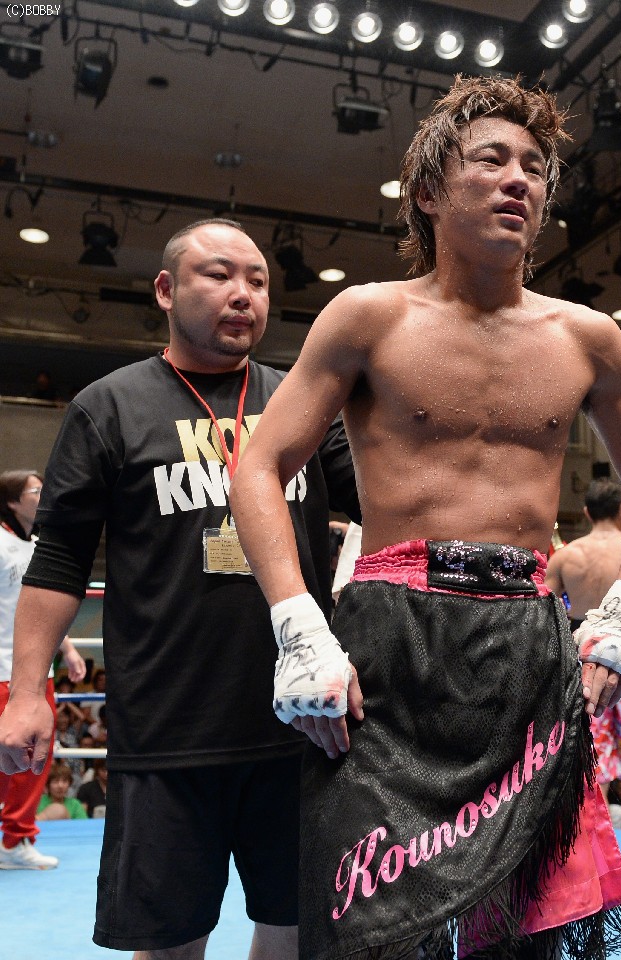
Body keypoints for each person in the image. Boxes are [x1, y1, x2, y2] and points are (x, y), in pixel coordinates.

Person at [232, 76, 621, 960]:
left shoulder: (587, 338)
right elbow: (258, 464)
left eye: (535, 167)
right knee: (369, 926)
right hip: (391, 634)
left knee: (520, 929)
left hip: (525, 640)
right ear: (429, 191)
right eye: (492, 160)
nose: (519, 180)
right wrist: (298, 626)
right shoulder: (369, 316)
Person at [0, 219, 360, 959]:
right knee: (168, 942)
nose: (243, 294)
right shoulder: (109, 406)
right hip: (167, 728)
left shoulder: (301, 402)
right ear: (166, 289)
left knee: (299, 929)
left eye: (258, 281)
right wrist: (28, 690)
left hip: (300, 725)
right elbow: (60, 559)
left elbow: (387, 504)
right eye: (219, 275)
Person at [545, 478, 621, 885]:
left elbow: (547, 612)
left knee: (591, 765)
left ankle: (592, 862)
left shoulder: (567, 557)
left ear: (586, 513)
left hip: (586, 666)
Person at [0, 469, 86, 871]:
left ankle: (14, 840)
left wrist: (67, 649)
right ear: (12, 502)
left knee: (34, 758)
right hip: (3, 669)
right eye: (35, 490)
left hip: (36, 670)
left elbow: (42, 607)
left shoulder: (38, 545)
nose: (43, 494)